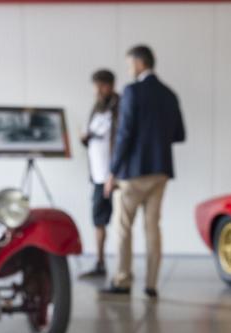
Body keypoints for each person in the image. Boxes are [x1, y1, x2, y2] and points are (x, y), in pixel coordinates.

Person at [101, 44, 185, 299]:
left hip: (133, 173)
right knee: (153, 228)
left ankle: (122, 280)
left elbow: (124, 133)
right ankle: (151, 284)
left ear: (139, 63)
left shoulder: (132, 91)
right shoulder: (169, 94)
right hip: (161, 171)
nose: (129, 69)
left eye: (130, 64)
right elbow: (179, 134)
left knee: (123, 228)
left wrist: (112, 171)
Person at [79, 69, 119, 280]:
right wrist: (85, 138)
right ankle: (100, 262)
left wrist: (115, 172)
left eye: (100, 86)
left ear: (108, 85)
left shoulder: (119, 107)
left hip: (114, 176)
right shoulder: (96, 108)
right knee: (98, 219)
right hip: (97, 175)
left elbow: (122, 140)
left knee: (120, 223)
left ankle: (122, 268)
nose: (96, 91)